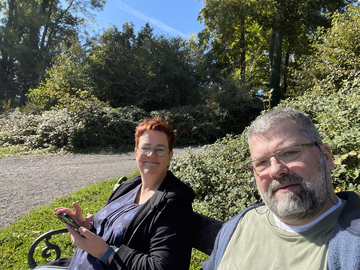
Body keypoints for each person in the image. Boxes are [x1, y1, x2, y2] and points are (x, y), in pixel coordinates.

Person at [202, 108, 360, 270]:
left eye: (290, 152)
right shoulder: (236, 228)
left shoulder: (355, 247)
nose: (275, 170)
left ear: (326, 157)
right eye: (261, 162)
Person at [51, 117, 195, 270]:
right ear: (136, 152)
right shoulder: (130, 186)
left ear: (170, 156)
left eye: (160, 149)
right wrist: (86, 227)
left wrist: (105, 252)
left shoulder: (175, 204)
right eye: (145, 147)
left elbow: (164, 267)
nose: (151, 154)